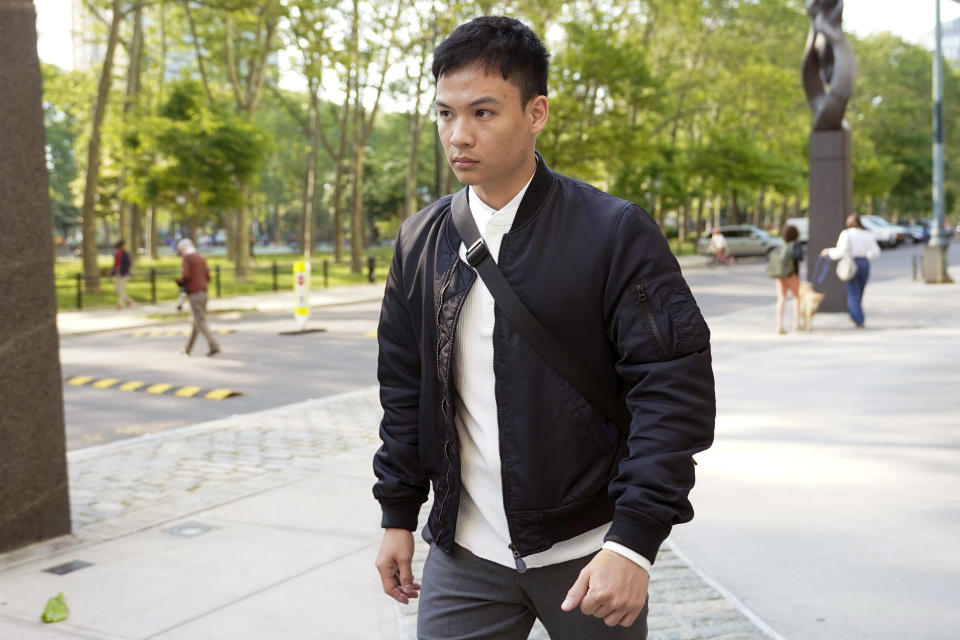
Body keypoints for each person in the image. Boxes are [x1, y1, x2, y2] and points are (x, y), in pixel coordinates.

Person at [372, 17, 715, 640]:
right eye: (445, 114)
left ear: (537, 113)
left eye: (483, 112)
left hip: (591, 553)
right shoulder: (420, 241)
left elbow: (673, 394)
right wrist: (399, 512)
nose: (459, 135)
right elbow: (404, 387)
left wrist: (633, 543)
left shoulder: (613, 232)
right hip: (465, 552)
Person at [820, 214, 881, 328]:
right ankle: (856, 316)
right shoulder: (867, 234)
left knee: (853, 293)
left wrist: (828, 252)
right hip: (864, 263)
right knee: (859, 292)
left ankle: (858, 319)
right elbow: (876, 251)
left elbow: (840, 251)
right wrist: (867, 256)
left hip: (851, 264)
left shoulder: (846, 234)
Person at [176, 238, 220, 356]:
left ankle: (214, 345)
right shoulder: (201, 257)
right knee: (196, 322)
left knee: (200, 321)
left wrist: (180, 282)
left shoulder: (188, 258)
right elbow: (208, 276)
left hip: (194, 293)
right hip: (204, 292)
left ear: (183, 248)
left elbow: (186, 275)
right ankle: (188, 348)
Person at [770, 224, 805, 334]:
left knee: (781, 299)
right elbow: (799, 257)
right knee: (797, 298)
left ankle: (779, 325)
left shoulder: (782, 245)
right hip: (792, 274)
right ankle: (797, 323)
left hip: (780, 275)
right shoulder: (795, 245)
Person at [110, 240, 133, 308]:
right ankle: (129, 300)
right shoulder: (116, 254)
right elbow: (115, 264)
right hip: (117, 273)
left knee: (121, 288)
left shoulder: (126, 254)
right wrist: (111, 273)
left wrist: (121, 268)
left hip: (124, 274)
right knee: (117, 289)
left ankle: (120, 304)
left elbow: (128, 264)